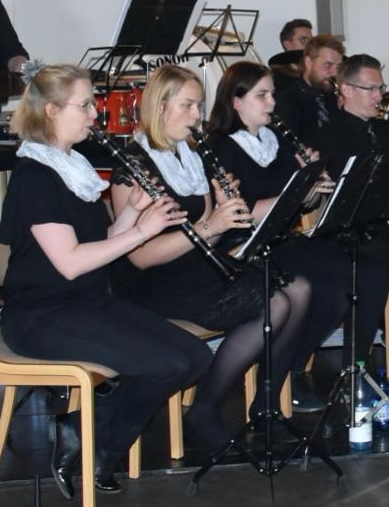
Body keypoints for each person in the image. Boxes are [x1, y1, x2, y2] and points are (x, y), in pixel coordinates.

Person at [0, 64, 210, 496]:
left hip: (87, 302)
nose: (96, 114)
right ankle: (103, 445)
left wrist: (132, 211)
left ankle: (83, 430)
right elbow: (70, 263)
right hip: (41, 315)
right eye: (85, 106)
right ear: (51, 110)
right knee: (167, 363)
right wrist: (142, 233)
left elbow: (102, 242)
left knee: (195, 356)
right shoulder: (34, 176)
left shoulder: (72, 166)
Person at [108, 65, 317, 451]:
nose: (197, 115)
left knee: (297, 290)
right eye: (187, 105)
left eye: (199, 106)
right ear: (160, 107)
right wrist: (210, 226)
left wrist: (223, 212)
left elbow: (207, 230)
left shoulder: (191, 156)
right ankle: (205, 408)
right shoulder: (133, 166)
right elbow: (139, 257)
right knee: (274, 304)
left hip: (193, 265)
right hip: (150, 281)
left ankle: (265, 404)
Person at [207, 61, 347, 411]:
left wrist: (311, 184)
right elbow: (243, 210)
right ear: (236, 101)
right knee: (310, 289)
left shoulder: (277, 139)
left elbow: (303, 204)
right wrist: (296, 192)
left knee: (346, 281)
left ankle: (291, 368)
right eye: (262, 96)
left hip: (282, 238)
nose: (272, 102)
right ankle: (275, 386)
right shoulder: (220, 147)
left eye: (272, 94)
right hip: (244, 245)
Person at [312, 53, 389, 362]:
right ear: (346, 89)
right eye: (371, 89)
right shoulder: (331, 135)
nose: (380, 96)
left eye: (381, 87)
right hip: (357, 231)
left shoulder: (384, 128)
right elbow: (363, 188)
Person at [272, 33, 343, 140]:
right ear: (308, 62)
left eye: (338, 67)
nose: (335, 73)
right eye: (328, 65)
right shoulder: (286, 102)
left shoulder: (335, 98)